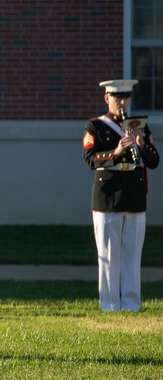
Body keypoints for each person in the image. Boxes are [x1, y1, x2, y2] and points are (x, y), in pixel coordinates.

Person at [83, 79, 160, 311]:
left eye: (126, 98)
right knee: (108, 254)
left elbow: (154, 161)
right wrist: (116, 151)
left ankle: (131, 304)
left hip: (134, 195)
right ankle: (109, 304)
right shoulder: (95, 126)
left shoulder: (139, 126)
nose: (122, 102)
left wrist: (141, 145)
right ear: (107, 98)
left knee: (132, 254)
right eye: (117, 98)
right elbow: (89, 159)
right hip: (108, 196)